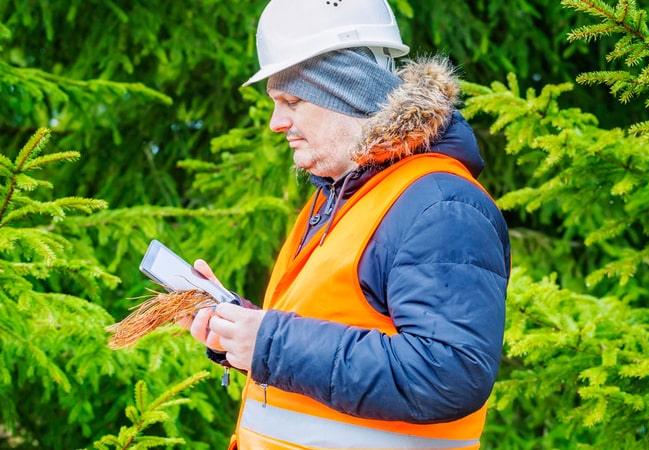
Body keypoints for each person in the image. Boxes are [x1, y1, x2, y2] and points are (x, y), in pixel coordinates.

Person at [181, 0, 511, 448]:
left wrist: (272, 345)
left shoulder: (440, 206)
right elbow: (328, 331)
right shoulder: (340, 196)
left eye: (291, 101)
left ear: (351, 91)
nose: (276, 123)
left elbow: (449, 372)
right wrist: (240, 330)